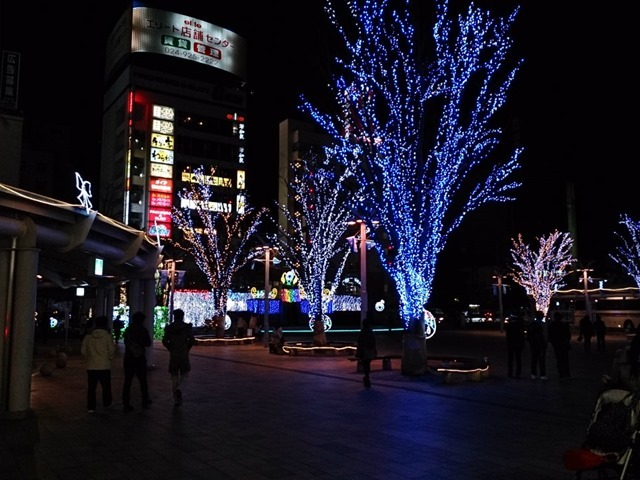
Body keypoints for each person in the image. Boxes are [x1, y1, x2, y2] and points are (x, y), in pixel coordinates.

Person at [80, 315, 115, 413]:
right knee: (106, 387)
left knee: (91, 387)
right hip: (104, 366)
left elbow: (83, 351)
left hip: (91, 366)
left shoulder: (88, 337)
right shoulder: (107, 337)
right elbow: (111, 351)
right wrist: (109, 358)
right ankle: (107, 403)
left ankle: (91, 407)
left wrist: (88, 358)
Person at [162, 309, 195, 407]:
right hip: (183, 354)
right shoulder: (186, 327)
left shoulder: (169, 328)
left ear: (174, 316)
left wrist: (170, 348)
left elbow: (164, 341)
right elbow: (192, 340)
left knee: (174, 377)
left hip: (174, 354)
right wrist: (187, 348)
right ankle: (180, 389)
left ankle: (176, 400)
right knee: (185, 373)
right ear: (182, 316)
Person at [122, 311, 152, 412]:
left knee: (128, 381)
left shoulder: (128, 330)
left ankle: (126, 402)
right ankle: (145, 400)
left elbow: (126, 342)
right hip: (140, 358)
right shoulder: (143, 330)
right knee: (143, 381)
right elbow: (148, 343)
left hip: (129, 358)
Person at [547, 310, 572, 379]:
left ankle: (561, 373)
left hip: (556, 343)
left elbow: (550, 335)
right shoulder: (564, 325)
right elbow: (568, 335)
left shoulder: (551, 325)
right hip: (563, 343)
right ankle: (567, 373)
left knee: (559, 358)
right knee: (565, 359)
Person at [356, 317, 378, 388]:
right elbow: (373, 342)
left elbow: (359, 342)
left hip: (364, 351)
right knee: (367, 363)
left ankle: (366, 376)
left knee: (365, 364)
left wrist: (358, 351)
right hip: (369, 350)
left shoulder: (362, 332)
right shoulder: (371, 332)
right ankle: (367, 376)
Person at [527, 310, 548, 380]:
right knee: (541, 360)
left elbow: (528, 335)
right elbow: (545, 335)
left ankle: (533, 374)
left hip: (533, 344)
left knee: (534, 360)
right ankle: (542, 374)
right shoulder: (544, 325)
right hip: (541, 344)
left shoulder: (532, 324)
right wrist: (546, 343)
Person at [505, 313, 526, 378]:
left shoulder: (509, 325)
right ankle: (518, 373)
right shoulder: (521, 325)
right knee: (518, 359)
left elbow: (508, 336)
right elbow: (523, 335)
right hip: (519, 343)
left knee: (510, 359)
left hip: (511, 343)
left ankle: (510, 373)